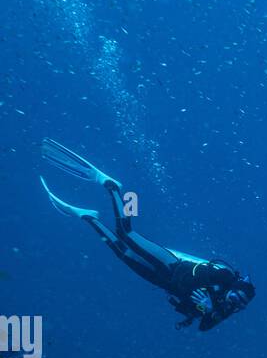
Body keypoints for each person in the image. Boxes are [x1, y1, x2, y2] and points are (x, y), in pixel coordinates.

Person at [39, 139, 254, 331]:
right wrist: (206, 298)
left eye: (240, 304)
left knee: (123, 254)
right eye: (237, 297)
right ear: (234, 288)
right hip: (172, 265)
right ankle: (112, 187)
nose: (235, 303)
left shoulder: (225, 309)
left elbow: (205, 327)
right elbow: (198, 273)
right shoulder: (225, 276)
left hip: (164, 282)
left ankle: (88, 216)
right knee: (126, 233)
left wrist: (208, 309)